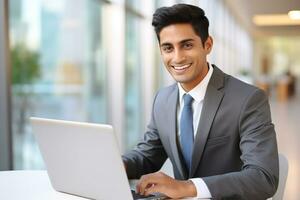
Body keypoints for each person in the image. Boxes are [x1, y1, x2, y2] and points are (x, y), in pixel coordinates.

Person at [122, 3, 279, 200]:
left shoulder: (248, 99)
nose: (177, 58)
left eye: (187, 45)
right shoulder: (162, 99)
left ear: (207, 45)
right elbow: (148, 155)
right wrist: (118, 164)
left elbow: (263, 178)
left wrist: (186, 187)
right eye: (168, 48)